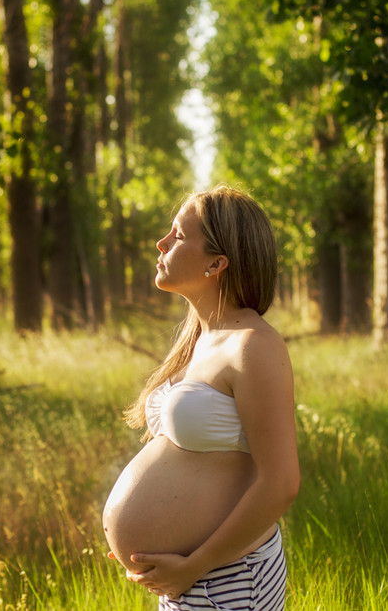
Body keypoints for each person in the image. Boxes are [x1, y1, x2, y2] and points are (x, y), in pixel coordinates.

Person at [103, 185, 301, 610]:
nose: (161, 243)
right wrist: (142, 538)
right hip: (190, 581)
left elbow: (282, 483)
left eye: (177, 235)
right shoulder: (200, 340)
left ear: (216, 263)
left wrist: (194, 565)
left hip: (228, 578)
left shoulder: (253, 345)